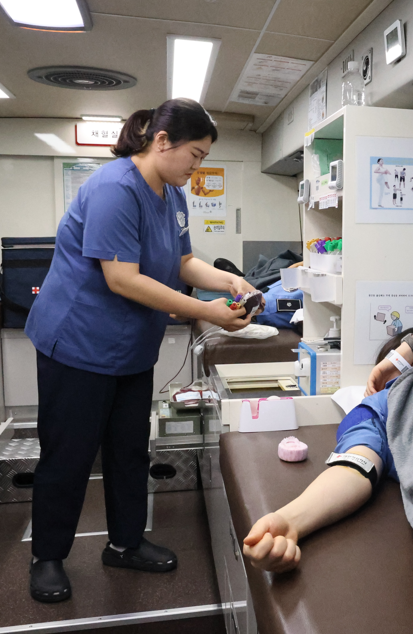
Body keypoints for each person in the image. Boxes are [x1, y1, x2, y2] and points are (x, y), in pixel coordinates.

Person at [25, 98, 261, 603]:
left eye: (204, 158)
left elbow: (183, 262)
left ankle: (125, 544)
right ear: (162, 141)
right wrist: (205, 311)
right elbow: (122, 279)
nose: (197, 167)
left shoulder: (173, 195)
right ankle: (47, 557)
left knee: (130, 449)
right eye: (195, 155)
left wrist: (229, 282)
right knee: (68, 455)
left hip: (130, 349)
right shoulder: (115, 189)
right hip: (78, 343)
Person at [242, 288, 413, 572]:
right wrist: (291, 521)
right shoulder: (391, 403)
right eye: (406, 368)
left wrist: (406, 352)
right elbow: (354, 467)